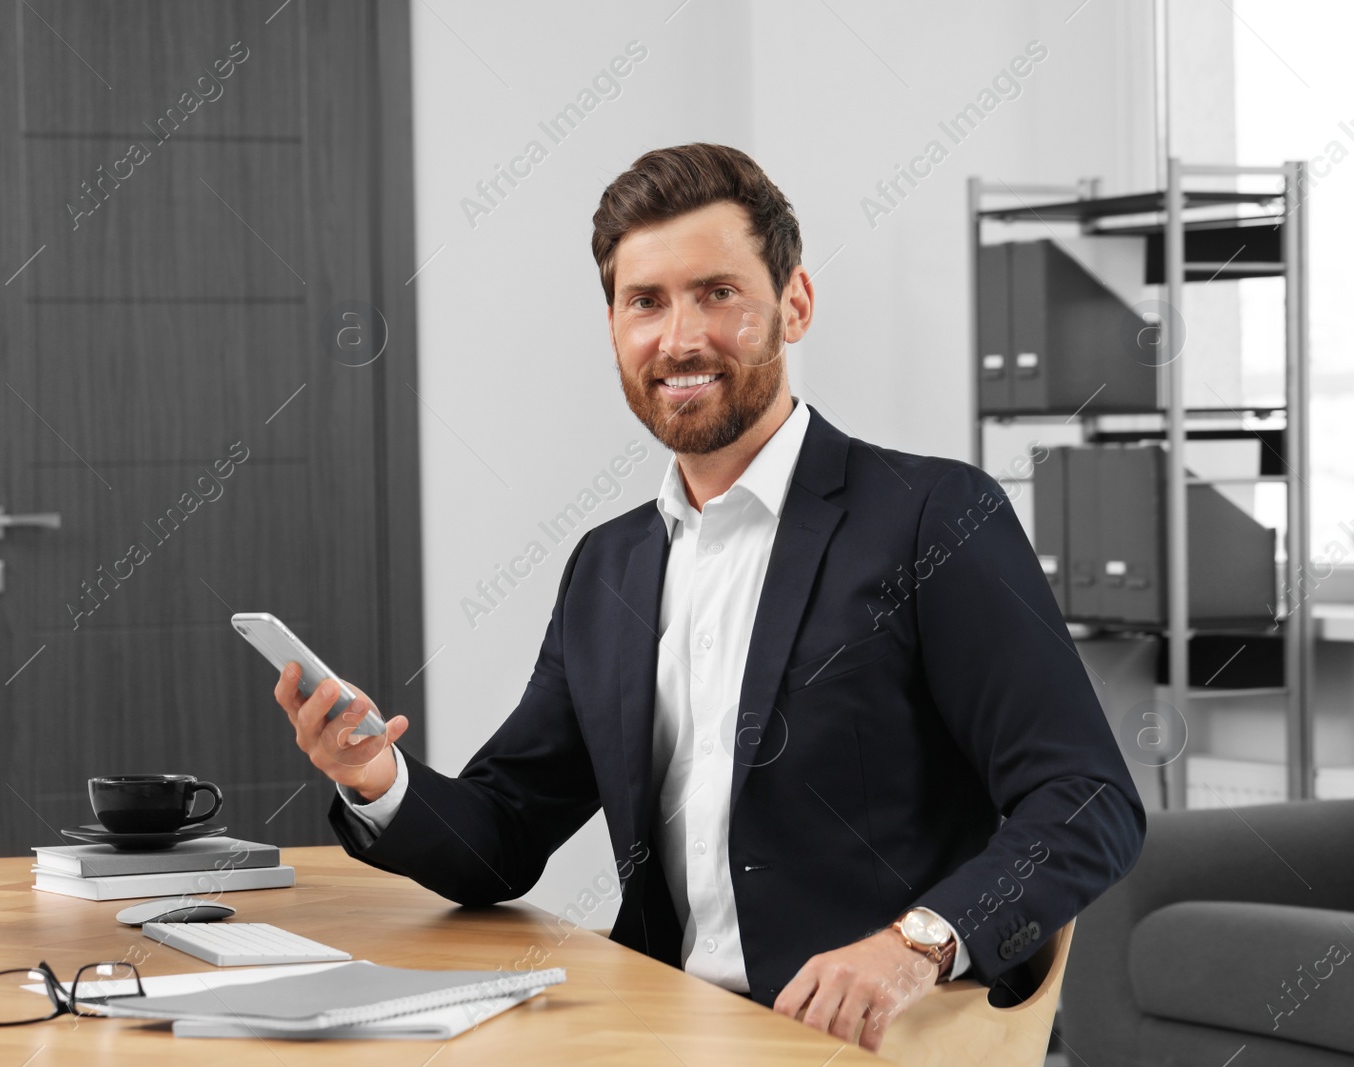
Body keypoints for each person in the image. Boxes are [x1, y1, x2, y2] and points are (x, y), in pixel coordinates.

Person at [275, 142, 1144, 1051]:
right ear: (613, 325)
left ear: (793, 304)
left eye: (718, 293)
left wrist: (912, 946)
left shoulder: (935, 517)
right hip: (664, 1026)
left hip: (879, 1039)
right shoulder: (607, 567)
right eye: (645, 301)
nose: (680, 338)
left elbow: (1088, 800)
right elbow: (506, 832)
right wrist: (374, 776)